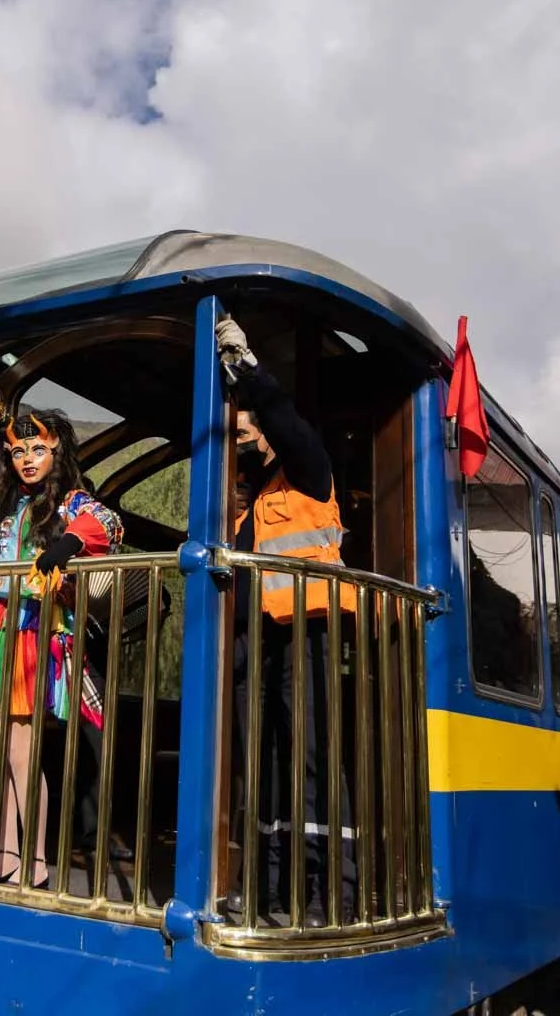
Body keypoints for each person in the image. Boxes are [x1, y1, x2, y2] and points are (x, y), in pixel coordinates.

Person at [0, 408, 122, 889]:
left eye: (37, 450)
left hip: (34, 627)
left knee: (21, 752)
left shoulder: (72, 502)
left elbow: (109, 525)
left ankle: (35, 859)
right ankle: (6, 853)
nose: (27, 459)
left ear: (56, 451)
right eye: (17, 452)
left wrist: (66, 545)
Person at [217, 314, 355, 929]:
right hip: (261, 643)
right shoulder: (255, 500)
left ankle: (330, 887)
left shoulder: (309, 470)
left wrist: (246, 369)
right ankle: (268, 883)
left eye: (249, 425)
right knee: (265, 761)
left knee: (311, 757)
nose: (243, 432)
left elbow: (282, 417)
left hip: (307, 635)